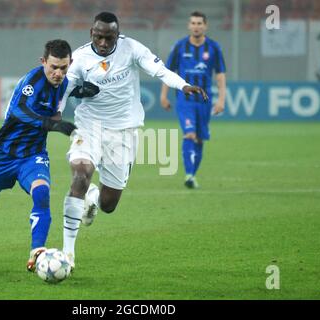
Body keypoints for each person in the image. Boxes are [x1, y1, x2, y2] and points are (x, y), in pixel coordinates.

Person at [57, 12, 208, 268]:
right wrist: (56, 117)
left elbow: (159, 70)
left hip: (124, 131)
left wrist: (183, 85)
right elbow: (63, 91)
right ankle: (68, 254)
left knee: (108, 205)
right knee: (81, 174)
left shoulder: (131, 48)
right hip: (89, 127)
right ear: (91, 34)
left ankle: (92, 198)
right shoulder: (80, 59)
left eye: (109, 37)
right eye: (99, 37)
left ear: (118, 35)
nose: (103, 43)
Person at [0, 40, 97, 273]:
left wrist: (79, 90)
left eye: (63, 68)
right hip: (3, 155)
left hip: (33, 155)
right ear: (43, 61)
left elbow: (62, 90)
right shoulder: (32, 82)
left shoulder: (62, 82)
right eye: (53, 67)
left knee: (42, 191)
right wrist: (50, 124)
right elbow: (18, 111)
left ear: (70, 64)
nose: (58, 73)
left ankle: (36, 251)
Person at [160, 11, 227, 189]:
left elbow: (220, 75)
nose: (196, 26)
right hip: (185, 98)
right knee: (189, 134)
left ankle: (192, 174)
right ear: (189, 26)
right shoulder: (180, 47)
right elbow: (168, 72)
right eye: (193, 23)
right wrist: (164, 95)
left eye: (199, 23)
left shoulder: (214, 48)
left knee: (199, 139)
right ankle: (188, 175)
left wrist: (221, 100)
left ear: (205, 26)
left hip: (204, 100)